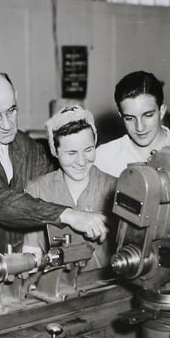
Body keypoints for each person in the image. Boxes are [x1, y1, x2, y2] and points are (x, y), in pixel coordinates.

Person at [0, 71, 108, 256]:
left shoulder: (27, 146)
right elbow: (3, 203)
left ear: (16, 99)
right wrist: (70, 216)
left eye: (11, 110)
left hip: (29, 262)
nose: (7, 125)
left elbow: (56, 181)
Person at [24, 105, 117, 269]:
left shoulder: (116, 188)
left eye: (88, 150)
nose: (81, 161)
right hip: (54, 290)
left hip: (104, 290)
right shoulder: (37, 191)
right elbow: (31, 256)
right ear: (54, 150)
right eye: (72, 153)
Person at [94, 71, 170, 177]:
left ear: (162, 111)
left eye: (148, 115)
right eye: (129, 118)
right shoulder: (104, 158)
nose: (140, 127)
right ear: (121, 115)